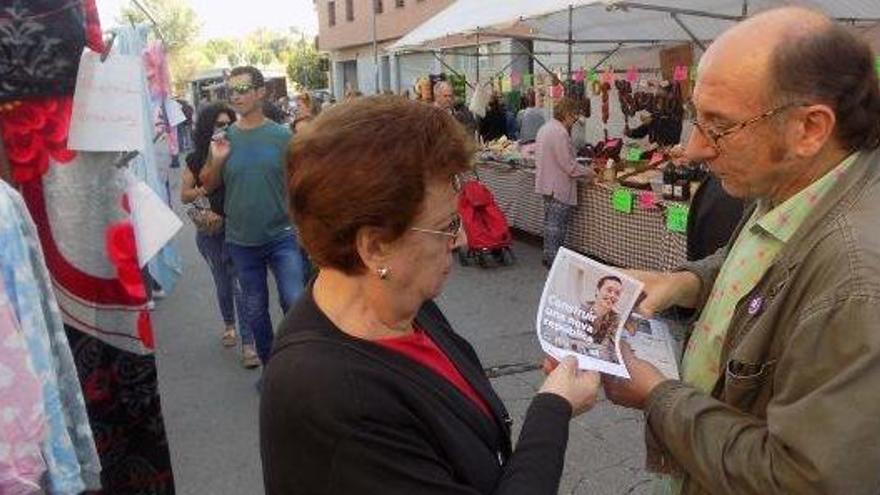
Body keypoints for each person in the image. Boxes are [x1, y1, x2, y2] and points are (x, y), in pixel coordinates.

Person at [261, 96, 601, 494]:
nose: (460, 239)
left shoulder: (404, 304)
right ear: (374, 248)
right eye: (446, 225)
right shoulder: (333, 398)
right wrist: (553, 409)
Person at [602, 8, 880, 495]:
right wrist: (684, 282)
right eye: (695, 119)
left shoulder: (855, 280)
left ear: (810, 128)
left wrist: (657, 396)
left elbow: (803, 479)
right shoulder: (793, 184)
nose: (693, 149)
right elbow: (759, 259)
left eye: (719, 126)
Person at [200, 66, 305, 369]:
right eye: (231, 91)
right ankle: (272, 367)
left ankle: (296, 361)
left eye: (243, 88)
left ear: (261, 92)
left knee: (294, 301)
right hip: (241, 241)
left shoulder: (282, 136)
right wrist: (218, 160)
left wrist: (302, 227)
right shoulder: (223, 138)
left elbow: (299, 183)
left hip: (282, 236)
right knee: (256, 311)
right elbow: (207, 185)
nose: (236, 96)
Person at [181, 103, 260, 368]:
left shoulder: (239, 152)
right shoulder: (196, 158)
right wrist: (206, 189)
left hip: (237, 228)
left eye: (228, 123)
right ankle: (229, 324)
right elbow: (184, 195)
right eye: (218, 124)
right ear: (207, 128)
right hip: (211, 232)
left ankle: (249, 345)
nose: (224, 128)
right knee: (223, 282)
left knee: (240, 285)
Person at [534, 97, 594, 268]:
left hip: (546, 184)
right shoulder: (560, 133)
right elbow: (569, 166)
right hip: (558, 186)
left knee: (549, 224)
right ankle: (554, 263)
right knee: (556, 228)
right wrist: (589, 172)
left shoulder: (545, 128)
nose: (575, 120)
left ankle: (548, 256)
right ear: (566, 114)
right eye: (573, 115)